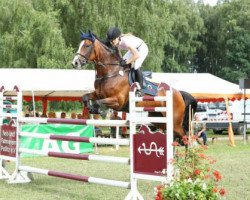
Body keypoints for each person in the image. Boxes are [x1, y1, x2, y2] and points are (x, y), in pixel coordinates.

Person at [106, 27, 149, 95]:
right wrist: (122, 60)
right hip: (133, 50)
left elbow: (136, 55)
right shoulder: (116, 42)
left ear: (118, 38)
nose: (112, 42)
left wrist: (126, 62)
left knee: (136, 65)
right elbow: (118, 52)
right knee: (121, 64)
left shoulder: (126, 42)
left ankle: (140, 89)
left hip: (142, 49)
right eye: (111, 41)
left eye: (113, 40)